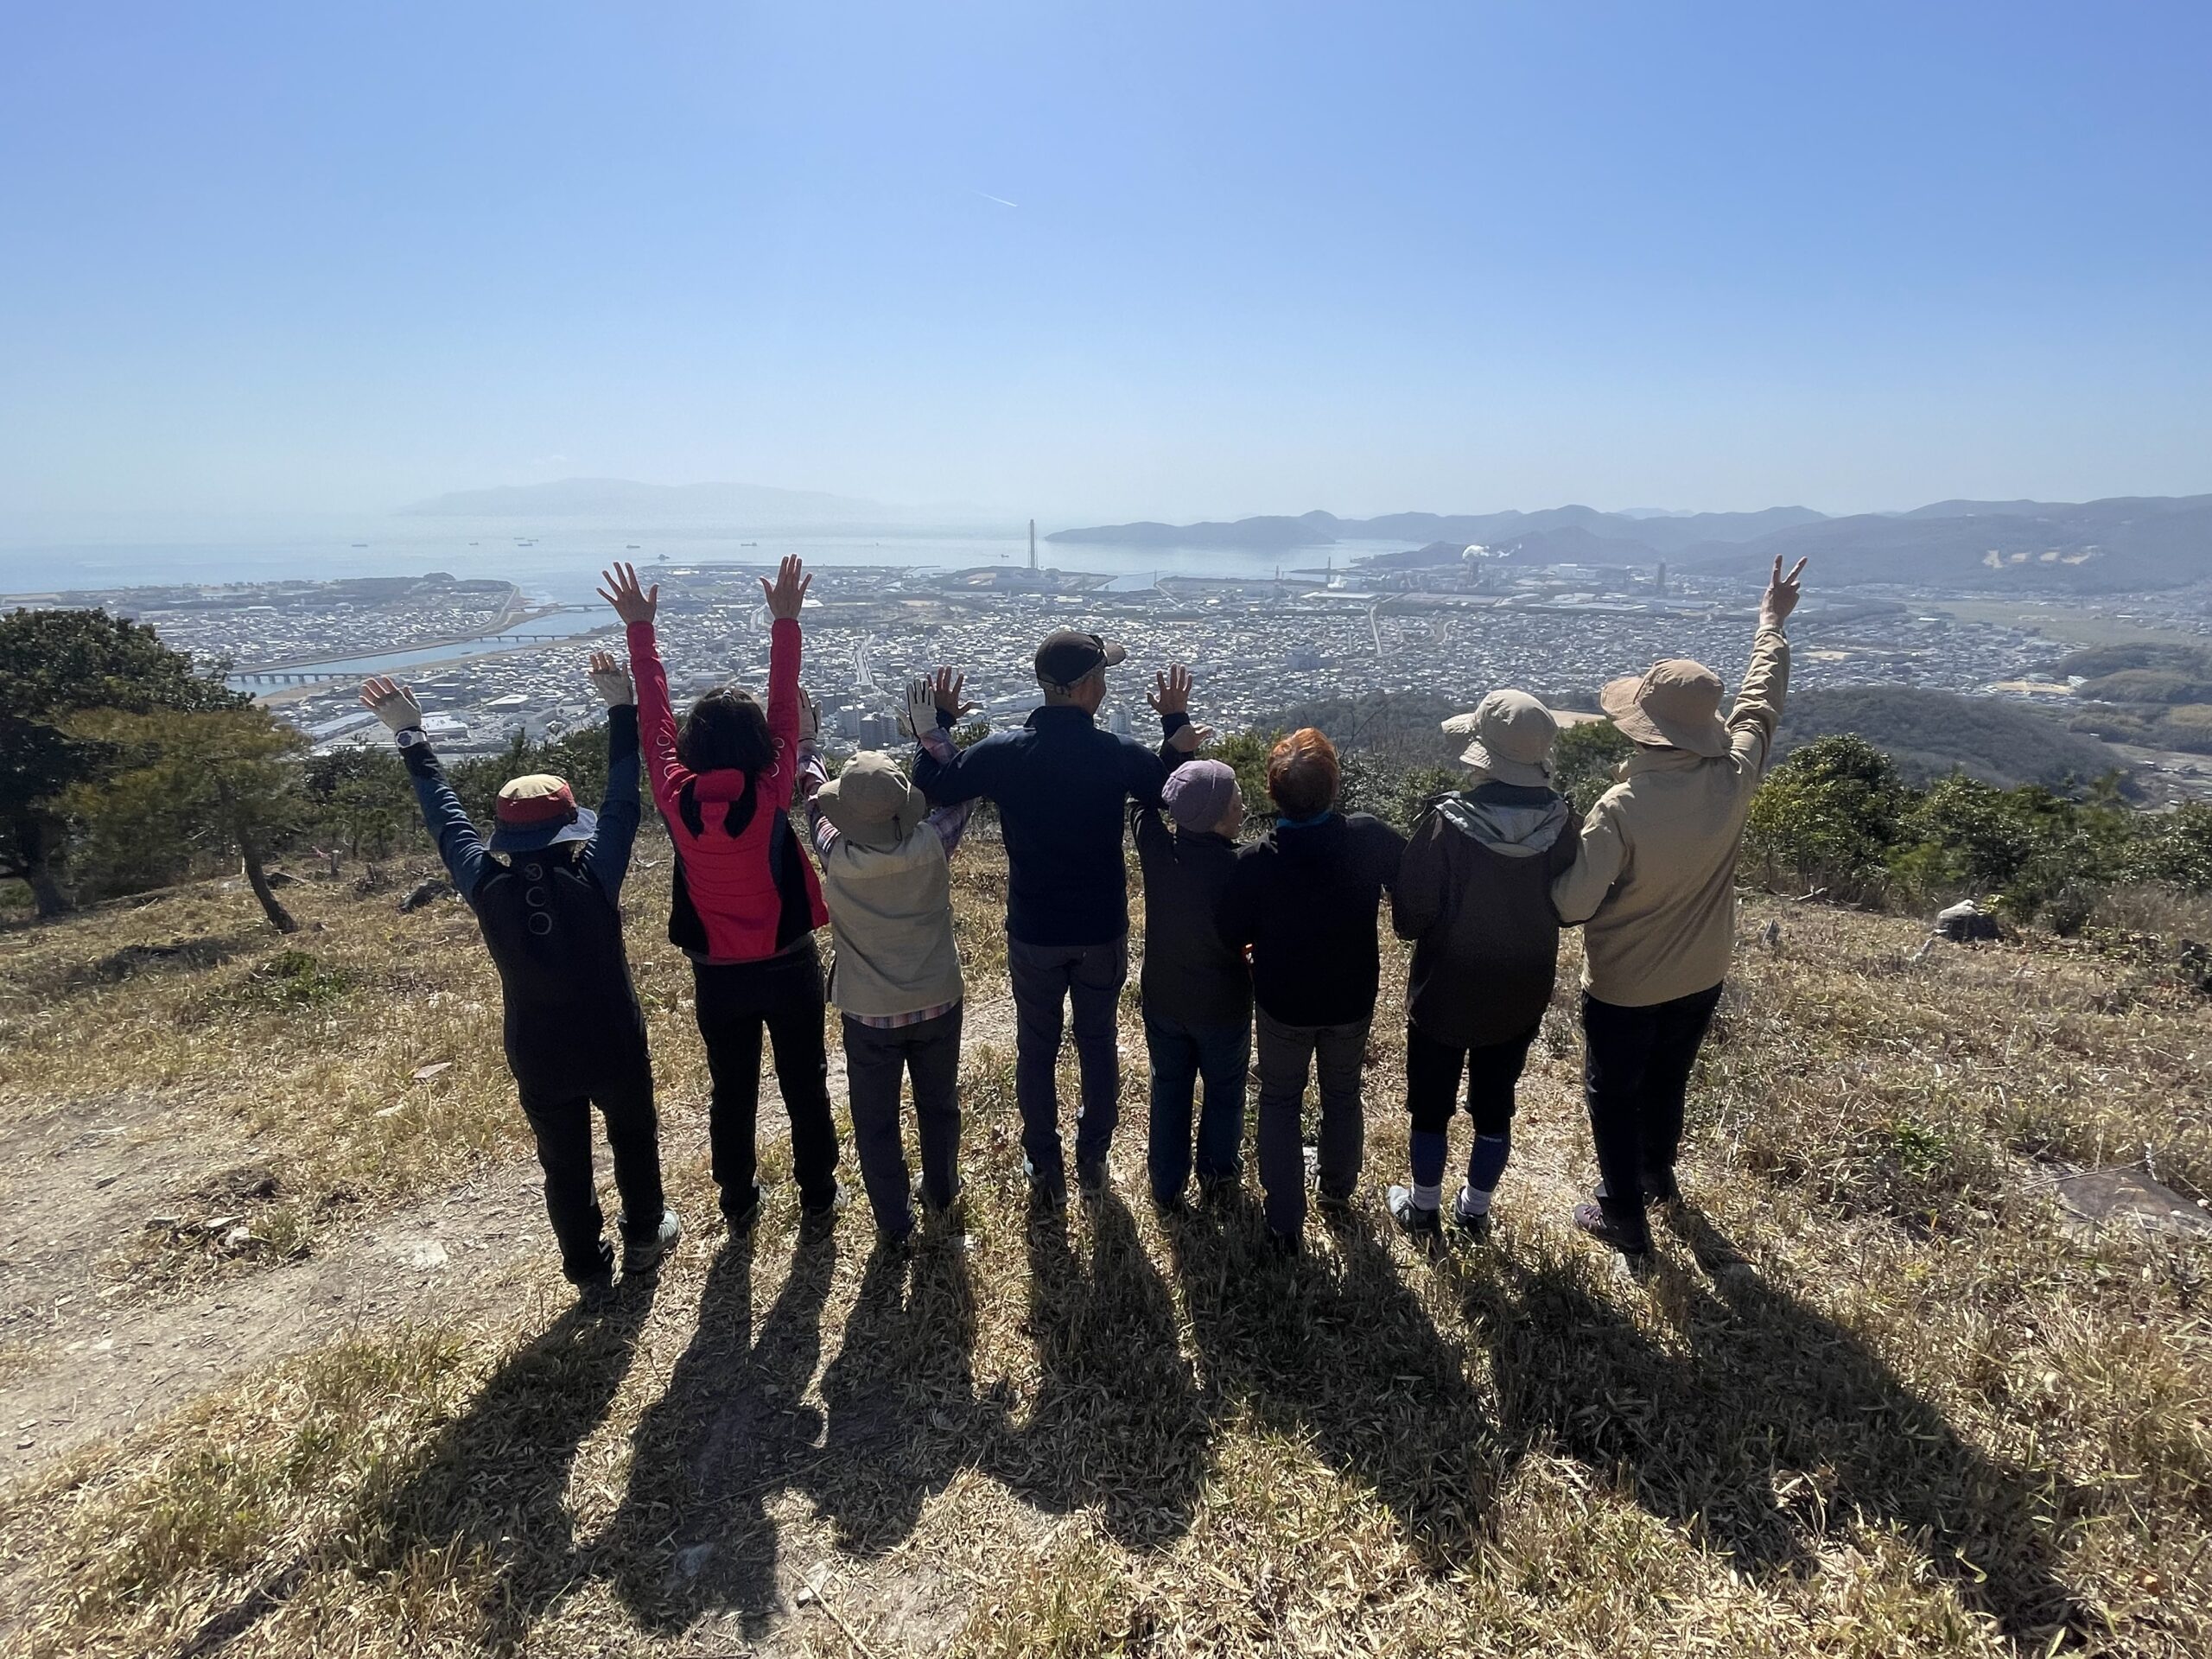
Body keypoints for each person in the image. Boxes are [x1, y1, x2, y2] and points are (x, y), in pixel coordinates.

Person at [359, 655, 677, 1297]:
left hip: (536, 1049)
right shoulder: (594, 875)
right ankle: (645, 1235)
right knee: (634, 1138)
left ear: (505, 832)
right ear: (568, 828)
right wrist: (622, 708)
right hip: (614, 1037)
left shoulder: (486, 884)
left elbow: (446, 817)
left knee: (563, 1162)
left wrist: (411, 735)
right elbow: (622, 799)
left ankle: (586, 1268)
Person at [1552, 555, 1808, 1266]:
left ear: (1641, 728)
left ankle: (1623, 1217)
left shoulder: (1620, 808)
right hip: (1702, 971)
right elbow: (1760, 704)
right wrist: (1771, 625)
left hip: (1626, 984)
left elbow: (1572, 905)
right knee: (1669, 1078)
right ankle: (1656, 1175)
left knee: (1613, 1093)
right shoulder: (1735, 773)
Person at [601, 556, 842, 1236]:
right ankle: (819, 1196)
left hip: (718, 972)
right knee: (804, 1082)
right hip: (787, 960)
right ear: (762, 745)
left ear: (693, 748)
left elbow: (655, 722)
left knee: (731, 1090)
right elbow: (785, 705)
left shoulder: (675, 795)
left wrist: (641, 632)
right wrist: (785, 621)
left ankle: (737, 1200)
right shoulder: (770, 792)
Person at [911, 629, 1194, 1204]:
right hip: (1100, 929)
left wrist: (937, 720)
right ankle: (1094, 1155)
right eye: (1103, 676)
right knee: (1097, 1041)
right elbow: (1169, 791)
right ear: (1087, 686)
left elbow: (936, 783)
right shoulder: (1114, 753)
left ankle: (1044, 1163)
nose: (1106, 685)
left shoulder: (1004, 752)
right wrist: (1174, 724)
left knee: (1036, 1047)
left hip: (1035, 930)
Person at [1384, 690, 1581, 1239]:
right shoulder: (1562, 822)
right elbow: (1569, 903)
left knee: (1431, 1104)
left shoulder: (1447, 823)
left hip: (1445, 987)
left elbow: (1410, 918)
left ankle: (1423, 1206)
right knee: (1496, 1104)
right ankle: (1475, 1210)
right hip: (1521, 988)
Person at [795, 672, 982, 1247]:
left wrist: (807, 740)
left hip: (868, 1010)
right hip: (936, 997)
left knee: (876, 1122)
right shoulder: (931, 844)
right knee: (938, 1105)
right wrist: (932, 732)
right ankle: (942, 1192)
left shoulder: (836, 851)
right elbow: (965, 791)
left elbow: (811, 793)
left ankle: (894, 1223)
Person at [1217, 728, 1406, 1249]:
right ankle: (1337, 1190)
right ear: (1334, 785)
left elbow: (1231, 932)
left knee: (1280, 1099)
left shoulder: (1255, 861)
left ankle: (1283, 1221)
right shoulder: (1367, 837)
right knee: (1342, 1091)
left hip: (1283, 1000)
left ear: (1273, 793)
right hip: (1351, 995)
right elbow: (1411, 876)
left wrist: (1252, 951)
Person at [1126, 666, 1245, 1212]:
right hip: (1222, 1006)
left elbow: (1143, 802)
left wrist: (1173, 738)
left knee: (1169, 1089)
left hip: (1165, 998)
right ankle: (1218, 1178)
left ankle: (1166, 1182)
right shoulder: (1241, 868)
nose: (1242, 807)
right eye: (1236, 802)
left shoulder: (1159, 851)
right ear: (1221, 820)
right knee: (1224, 1092)